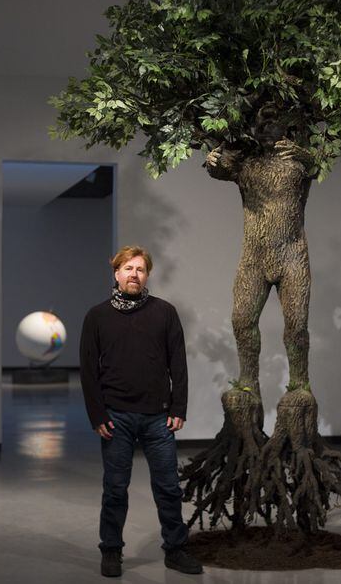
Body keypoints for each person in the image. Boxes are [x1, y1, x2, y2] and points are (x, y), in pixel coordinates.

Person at [79, 245, 203, 577]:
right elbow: (88, 370)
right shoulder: (97, 316)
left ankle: (176, 549)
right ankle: (111, 551)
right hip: (115, 417)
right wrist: (97, 415)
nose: (135, 274)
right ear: (116, 273)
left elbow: (178, 362)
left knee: (168, 487)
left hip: (158, 417)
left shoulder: (165, 312)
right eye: (128, 268)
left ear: (147, 275)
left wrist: (179, 406)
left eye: (141, 269)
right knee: (115, 488)